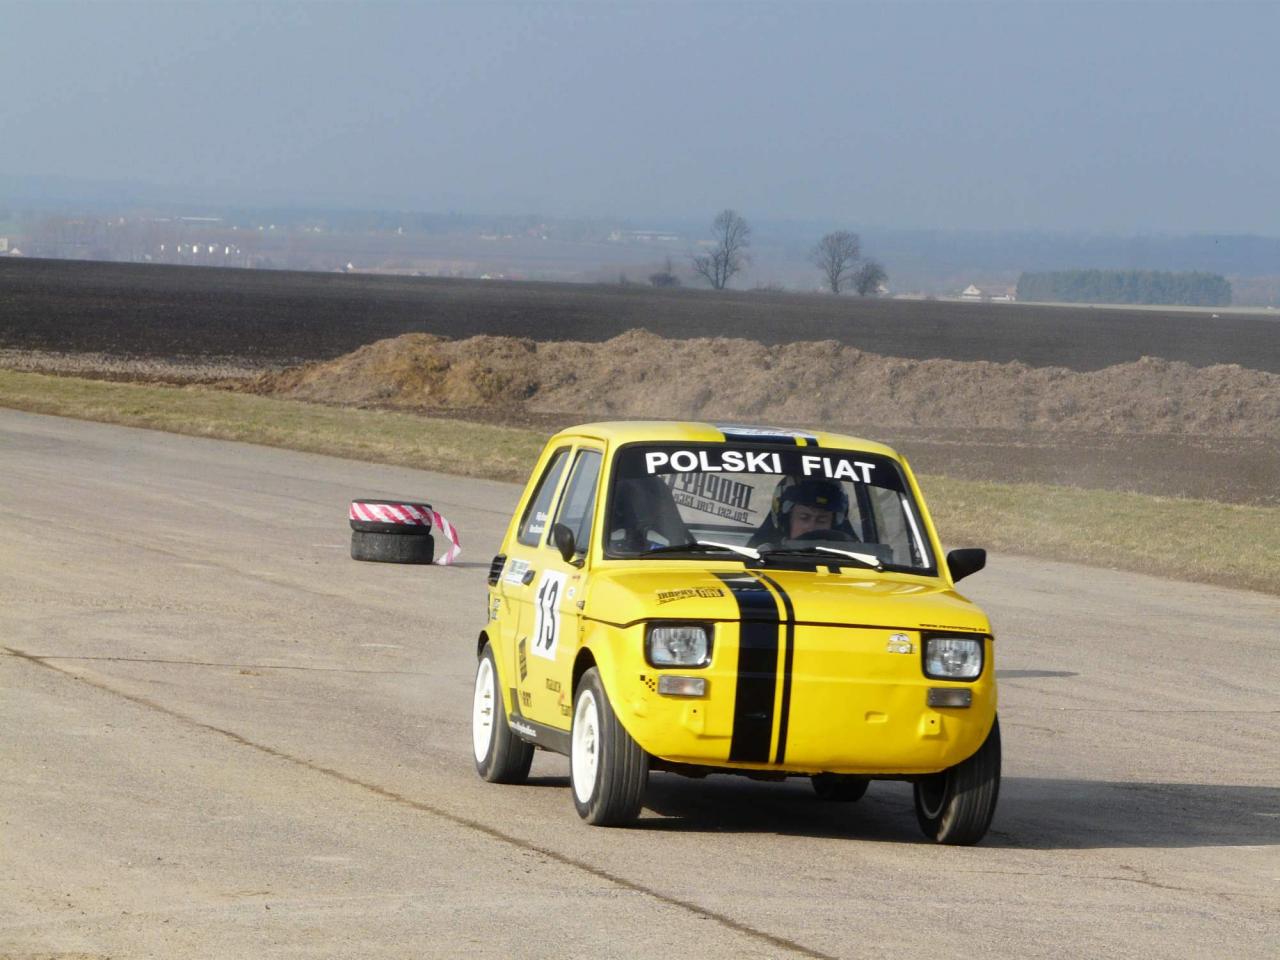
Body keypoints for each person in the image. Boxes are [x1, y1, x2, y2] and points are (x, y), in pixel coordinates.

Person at [747, 477, 853, 546]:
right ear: (786, 520)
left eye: (821, 520)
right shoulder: (758, 559)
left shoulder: (853, 563)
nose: (811, 528)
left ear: (833, 525)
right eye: (804, 518)